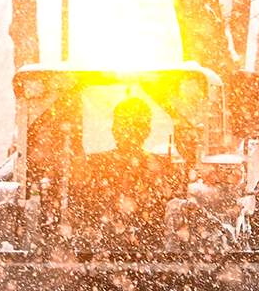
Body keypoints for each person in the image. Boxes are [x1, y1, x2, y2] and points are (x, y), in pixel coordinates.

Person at [71, 96, 180, 250]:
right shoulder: (158, 169)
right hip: (131, 251)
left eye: (133, 125)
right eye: (121, 124)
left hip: (130, 250)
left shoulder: (98, 165)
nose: (124, 131)